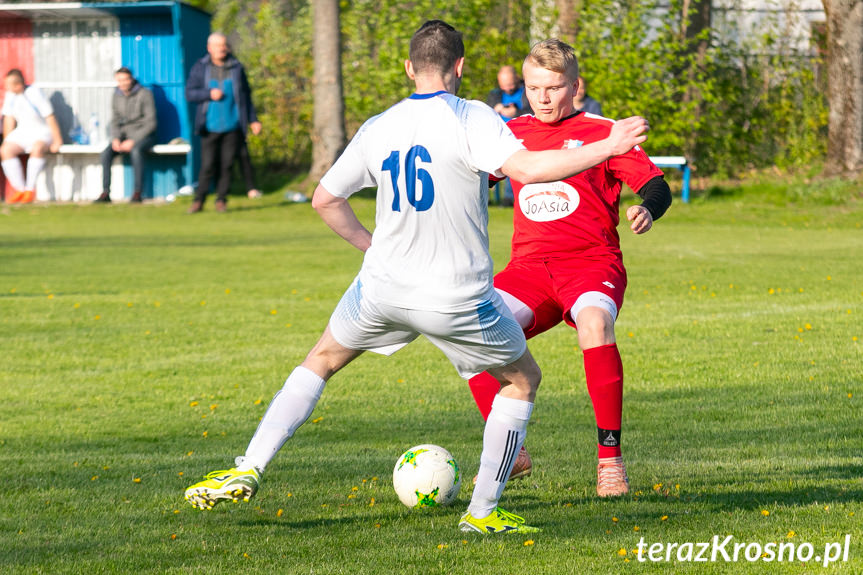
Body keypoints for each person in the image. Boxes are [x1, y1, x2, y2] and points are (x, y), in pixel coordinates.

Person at [183, 20, 649, 534]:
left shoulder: (378, 125)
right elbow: (532, 170)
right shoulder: (473, 117)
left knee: (320, 360)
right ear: (460, 67)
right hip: (454, 296)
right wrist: (609, 145)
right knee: (522, 380)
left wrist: (371, 245)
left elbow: (324, 199)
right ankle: (483, 513)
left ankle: (248, 465)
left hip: (380, 289)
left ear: (409, 68)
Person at [468, 39, 671, 497]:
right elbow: (474, 178)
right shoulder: (510, 133)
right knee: (469, 323)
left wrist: (649, 209)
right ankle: (511, 452)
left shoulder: (605, 132)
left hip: (591, 263)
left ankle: (610, 463)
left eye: (553, 87)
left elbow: (656, 185)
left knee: (594, 323)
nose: (542, 97)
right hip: (529, 269)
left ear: (574, 86)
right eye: (533, 87)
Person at [185, 33, 261, 213]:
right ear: (209, 48)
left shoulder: (236, 68)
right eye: (218, 45)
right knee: (208, 165)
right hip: (209, 126)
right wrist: (208, 94)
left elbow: (246, 96)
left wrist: (253, 119)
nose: (222, 48)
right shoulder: (200, 67)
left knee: (227, 165)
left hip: (232, 124)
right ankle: (199, 200)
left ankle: (221, 200)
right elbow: (190, 93)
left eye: (224, 45)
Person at [94, 67, 157, 203]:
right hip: (124, 136)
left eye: (125, 80)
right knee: (105, 153)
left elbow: (151, 123)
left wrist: (133, 140)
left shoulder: (145, 94)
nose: (122, 83)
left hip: (144, 136)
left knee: (136, 152)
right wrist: (116, 138)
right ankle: (105, 193)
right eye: (119, 80)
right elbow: (115, 120)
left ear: (131, 79)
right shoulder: (116, 95)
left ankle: (137, 193)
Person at [1, 69, 62, 203]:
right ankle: (20, 190)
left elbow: (50, 116)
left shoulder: (35, 93)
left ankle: (30, 189)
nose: (6, 87)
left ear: (18, 85)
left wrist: (57, 140)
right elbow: (9, 119)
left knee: (37, 148)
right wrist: (6, 140)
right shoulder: (10, 96)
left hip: (42, 131)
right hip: (23, 131)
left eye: (9, 85)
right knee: (5, 150)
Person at [486, 66, 531, 207]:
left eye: (510, 84)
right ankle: (489, 197)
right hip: (498, 135)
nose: (508, 88)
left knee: (514, 167)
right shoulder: (495, 94)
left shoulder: (527, 92)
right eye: (504, 86)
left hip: (521, 135)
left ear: (517, 79)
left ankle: (509, 198)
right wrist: (498, 109)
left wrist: (515, 112)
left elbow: (532, 111)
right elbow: (488, 109)